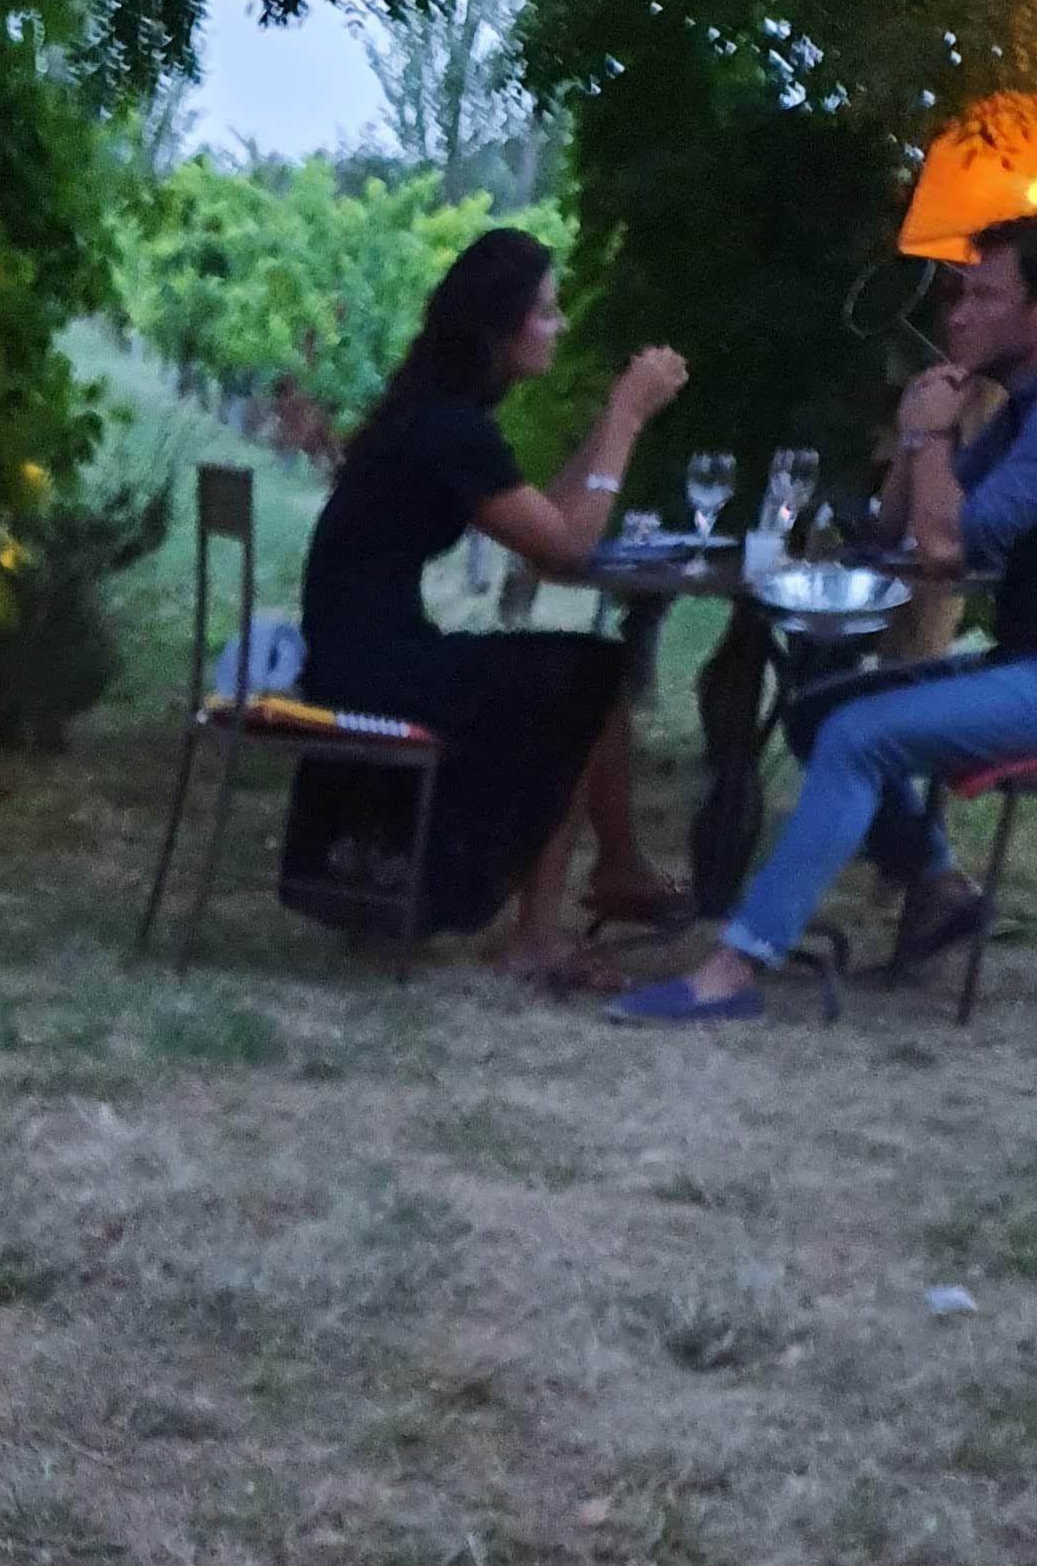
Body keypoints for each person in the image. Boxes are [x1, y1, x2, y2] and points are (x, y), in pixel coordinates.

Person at [611, 218, 1037, 1024]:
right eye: (960, 294)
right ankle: (940, 889)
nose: (957, 313)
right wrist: (915, 438)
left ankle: (733, 970)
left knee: (856, 735)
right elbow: (895, 535)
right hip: (1018, 661)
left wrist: (933, 433)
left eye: (985, 296)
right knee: (815, 713)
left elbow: (947, 545)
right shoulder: (1018, 415)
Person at [286, 229, 689, 985]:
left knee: (587, 671)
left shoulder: (437, 416)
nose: (558, 326)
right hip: (375, 672)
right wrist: (628, 418)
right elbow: (566, 551)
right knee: (578, 679)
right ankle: (544, 936)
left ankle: (617, 868)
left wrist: (605, 425)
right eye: (546, 312)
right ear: (499, 326)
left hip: (359, 654)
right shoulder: (449, 429)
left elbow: (547, 527)